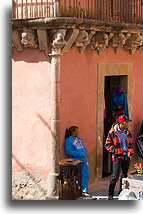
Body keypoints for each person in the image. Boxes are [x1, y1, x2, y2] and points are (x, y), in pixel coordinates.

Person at [105, 115, 134, 200]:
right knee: (115, 176)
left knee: (124, 176)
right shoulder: (112, 132)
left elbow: (131, 142)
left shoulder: (127, 132)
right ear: (121, 123)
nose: (127, 124)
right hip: (117, 156)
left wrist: (130, 152)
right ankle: (110, 195)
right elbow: (107, 145)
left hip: (126, 156)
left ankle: (121, 194)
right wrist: (116, 151)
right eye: (126, 122)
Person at [65, 126, 91, 197]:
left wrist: (85, 152)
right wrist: (79, 153)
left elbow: (83, 146)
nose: (78, 132)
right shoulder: (68, 140)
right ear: (73, 132)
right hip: (76, 160)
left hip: (84, 159)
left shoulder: (79, 139)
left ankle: (84, 190)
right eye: (77, 131)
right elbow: (68, 151)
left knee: (86, 175)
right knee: (78, 176)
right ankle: (78, 190)